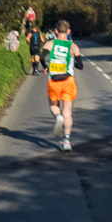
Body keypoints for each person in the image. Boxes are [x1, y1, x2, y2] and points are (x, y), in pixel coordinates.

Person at [41, 19, 84, 151]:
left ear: (55, 31)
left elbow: (42, 58)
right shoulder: (73, 46)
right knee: (68, 112)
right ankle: (66, 141)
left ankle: (57, 116)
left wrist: (46, 67)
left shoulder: (49, 44)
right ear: (69, 31)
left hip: (54, 81)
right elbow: (81, 66)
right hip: (68, 82)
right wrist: (74, 63)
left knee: (54, 106)